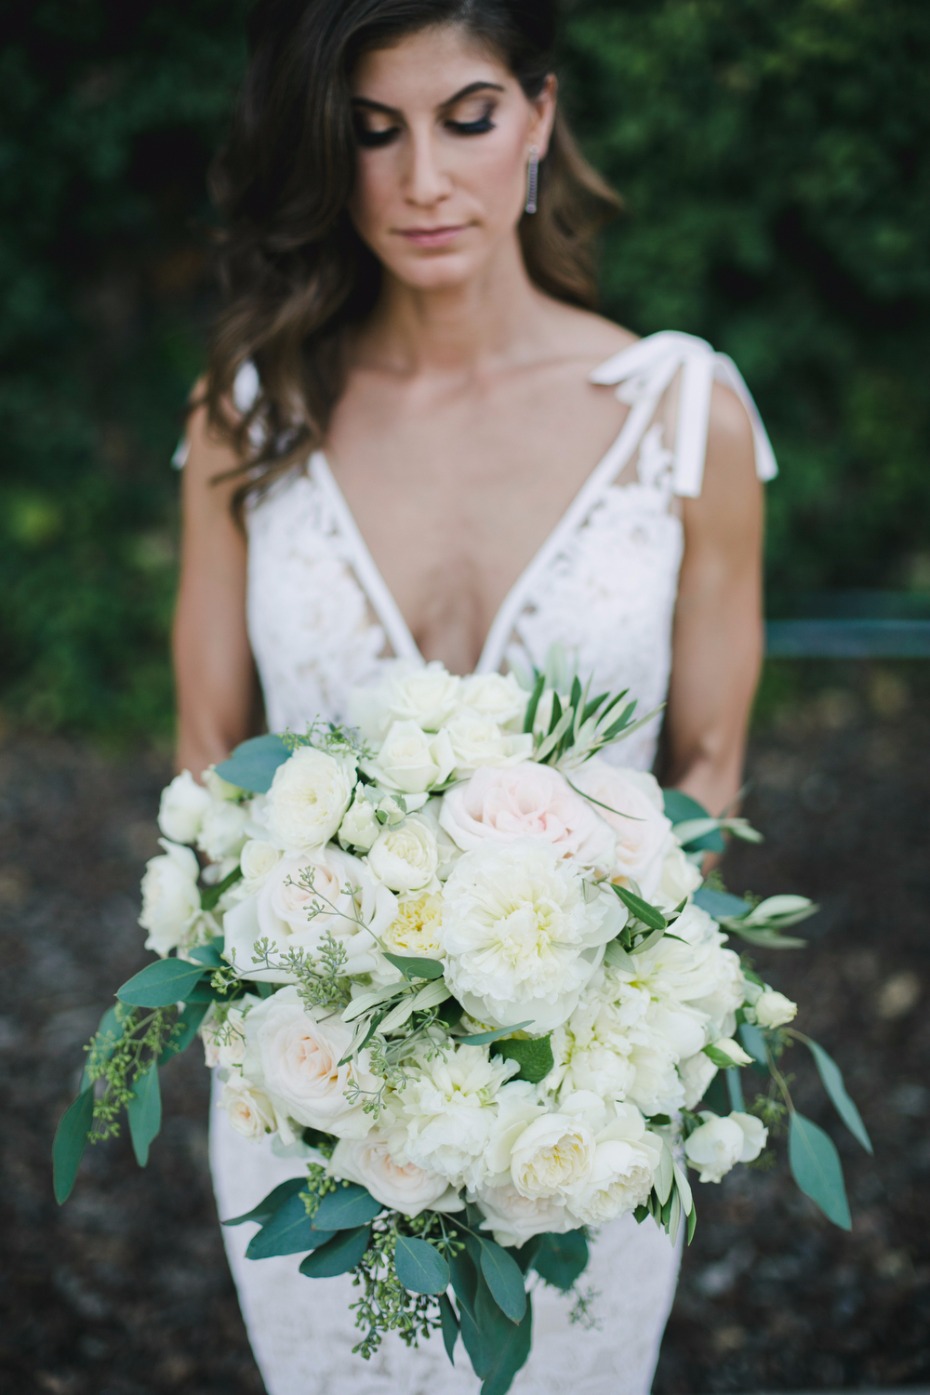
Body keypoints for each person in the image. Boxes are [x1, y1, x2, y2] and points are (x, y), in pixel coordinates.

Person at [171, 2, 777, 1391]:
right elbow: (211, 757)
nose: (423, 182)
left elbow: (709, 761)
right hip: (312, 1090)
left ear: (540, 117)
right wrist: (320, 1026)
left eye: (467, 118)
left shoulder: (683, 415)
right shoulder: (249, 412)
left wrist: (592, 1030)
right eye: (370, 134)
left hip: (581, 1112)